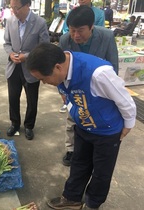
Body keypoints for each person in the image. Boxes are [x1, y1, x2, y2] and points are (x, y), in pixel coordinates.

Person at [26, 42, 136, 210]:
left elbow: (125, 100)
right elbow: (70, 97)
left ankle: (92, 205)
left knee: (101, 172)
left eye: (43, 79)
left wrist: (128, 125)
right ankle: (72, 198)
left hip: (107, 132)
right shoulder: (63, 70)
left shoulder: (98, 74)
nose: (44, 83)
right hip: (83, 126)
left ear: (57, 67)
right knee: (79, 162)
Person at [59, 5, 119, 166]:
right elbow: (59, 69)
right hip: (75, 88)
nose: (76, 35)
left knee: (97, 120)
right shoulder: (65, 40)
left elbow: (113, 64)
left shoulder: (106, 36)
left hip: (99, 89)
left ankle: (92, 150)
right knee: (73, 119)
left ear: (92, 26)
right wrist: (62, 91)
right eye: (72, 30)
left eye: (80, 30)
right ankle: (71, 150)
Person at [3, 0, 50, 140]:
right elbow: (7, 43)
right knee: (13, 98)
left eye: (17, 8)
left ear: (27, 5)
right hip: (13, 67)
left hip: (32, 69)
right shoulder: (10, 21)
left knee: (32, 99)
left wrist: (27, 56)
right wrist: (11, 54)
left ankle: (29, 126)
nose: (14, 11)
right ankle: (15, 123)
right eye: (12, 8)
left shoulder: (39, 23)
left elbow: (44, 47)